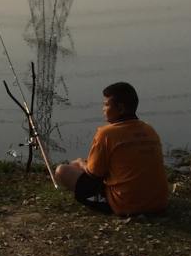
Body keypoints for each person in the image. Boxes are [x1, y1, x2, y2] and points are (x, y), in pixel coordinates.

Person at [55, 82, 169, 216]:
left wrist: (80, 163)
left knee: (62, 170)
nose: (103, 109)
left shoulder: (107, 133)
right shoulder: (149, 129)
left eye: (106, 105)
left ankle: (114, 201)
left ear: (120, 109)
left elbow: (93, 175)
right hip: (159, 204)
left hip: (126, 205)